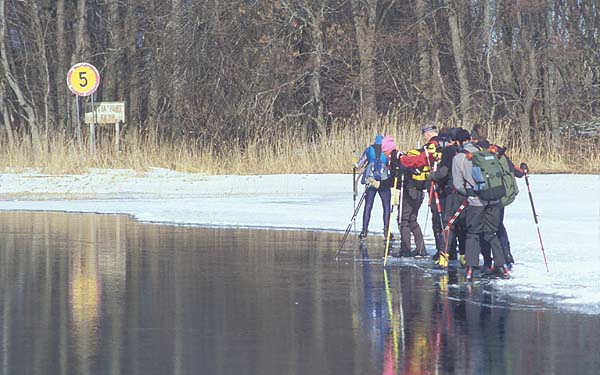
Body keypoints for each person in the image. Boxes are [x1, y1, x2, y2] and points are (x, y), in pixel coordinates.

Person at [452, 130, 510, 281]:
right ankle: (502, 266)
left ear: (458, 142)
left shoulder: (459, 158)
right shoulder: (485, 152)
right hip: (494, 199)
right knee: (491, 233)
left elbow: (458, 184)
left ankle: (471, 268)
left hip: (476, 202)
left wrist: (470, 192)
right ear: (471, 140)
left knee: (473, 234)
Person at [355, 135, 392, 241]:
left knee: (368, 205)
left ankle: (364, 230)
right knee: (386, 206)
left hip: (370, 180)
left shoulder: (369, 149)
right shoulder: (386, 150)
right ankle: (386, 230)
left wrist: (356, 165)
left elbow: (360, 164)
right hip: (384, 181)